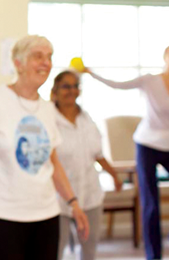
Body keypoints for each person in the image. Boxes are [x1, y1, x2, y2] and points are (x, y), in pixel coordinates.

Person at [0, 35, 89, 260]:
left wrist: (73, 203)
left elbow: (53, 162)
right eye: (38, 56)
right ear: (18, 63)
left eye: (49, 57)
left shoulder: (48, 109)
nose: (46, 62)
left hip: (46, 214)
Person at [84, 45, 169, 260]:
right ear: (165, 58)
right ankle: (154, 256)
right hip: (147, 143)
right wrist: (90, 73)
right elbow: (117, 85)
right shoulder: (150, 81)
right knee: (150, 201)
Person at [51, 70, 123, 260]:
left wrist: (114, 175)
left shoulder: (87, 118)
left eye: (76, 86)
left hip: (90, 195)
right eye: (66, 86)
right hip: (57, 199)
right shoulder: (47, 119)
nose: (72, 90)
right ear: (55, 91)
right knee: (56, 250)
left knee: (89, 251)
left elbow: (98, 154)